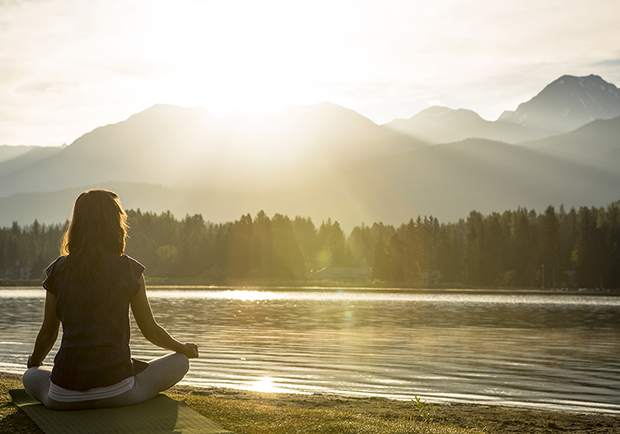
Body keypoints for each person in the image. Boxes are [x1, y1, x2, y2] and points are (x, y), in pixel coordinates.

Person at [22, 189, 199, 410]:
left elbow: (49, 331)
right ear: (115, 223)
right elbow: (150, 331)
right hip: (119, 392)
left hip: (62, 397)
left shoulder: (58, 270)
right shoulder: (129, 269)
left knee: (30, 375)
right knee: (180, 361)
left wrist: (35, 363)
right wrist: (182, 348)